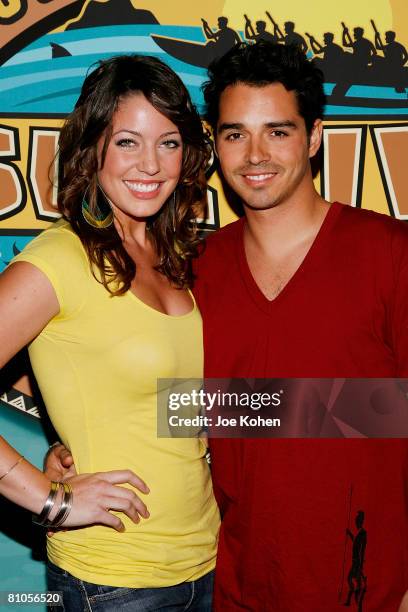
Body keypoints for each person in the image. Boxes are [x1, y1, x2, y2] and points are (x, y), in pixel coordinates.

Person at [0, 54, 219, 610]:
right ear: (92, 148)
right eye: (128, 142)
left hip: (208, 560)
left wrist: (365, 410)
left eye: (168, 143)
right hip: (116, 580)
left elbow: (172, 406)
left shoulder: (172, 255)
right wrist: (48, 499)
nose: (150, 164)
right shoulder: (58, 260)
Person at [196, 41, 408, 610]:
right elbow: (189, 409)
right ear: (214, 144)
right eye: (235, 133)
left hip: (370, 589)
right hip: (238, 587)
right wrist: (81, 446)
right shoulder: (195, 270)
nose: (255, 154)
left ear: (314, 137)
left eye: (278, 131)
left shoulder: (389, 253)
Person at [0, 435, 147, 531]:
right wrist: (53, 499)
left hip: (167, 556)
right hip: (102, 559)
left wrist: (68, 443)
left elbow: (166, 421)